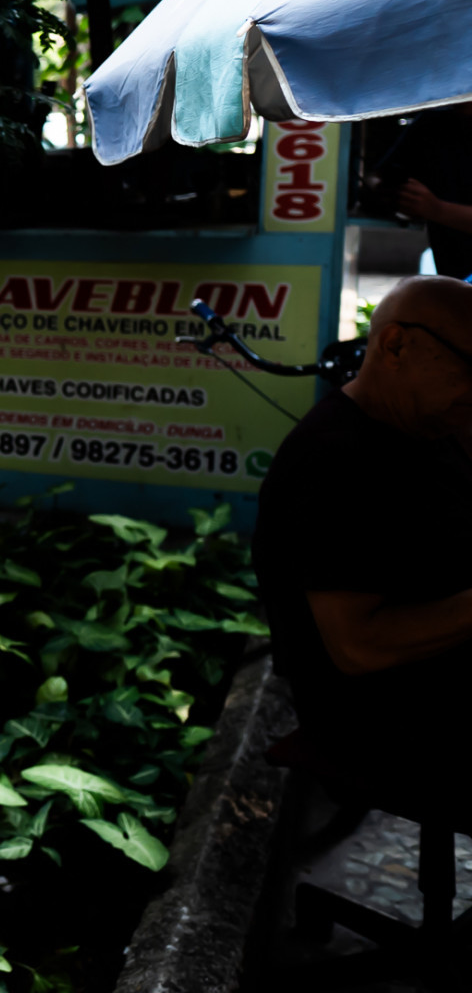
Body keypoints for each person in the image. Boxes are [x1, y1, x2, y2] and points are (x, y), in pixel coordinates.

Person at [253, 275, 472, 787]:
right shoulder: (332, 460)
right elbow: (359, 646)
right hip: (389, 719)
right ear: (395, 345)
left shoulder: (432, 418)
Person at [392, 102, 472, 280]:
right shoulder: (433, 121)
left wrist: (438, 209)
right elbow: (381, 175)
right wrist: (400, 194)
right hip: (452, 273)